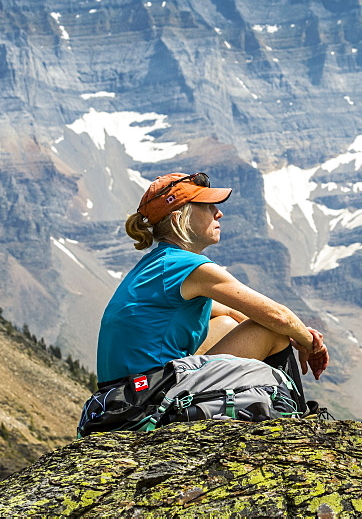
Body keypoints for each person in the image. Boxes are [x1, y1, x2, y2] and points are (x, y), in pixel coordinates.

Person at [96, 171, 329, 410]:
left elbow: (227, 310)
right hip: (149, 399)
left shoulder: (158, 263)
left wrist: (295, 332)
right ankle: (297, 418)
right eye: (207, 206)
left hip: (124, 398)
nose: (218, 212)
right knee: (272, 332)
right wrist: (311, 343)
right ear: (179, 219)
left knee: (227, 323)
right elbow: (278, 316)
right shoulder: (187, 266)